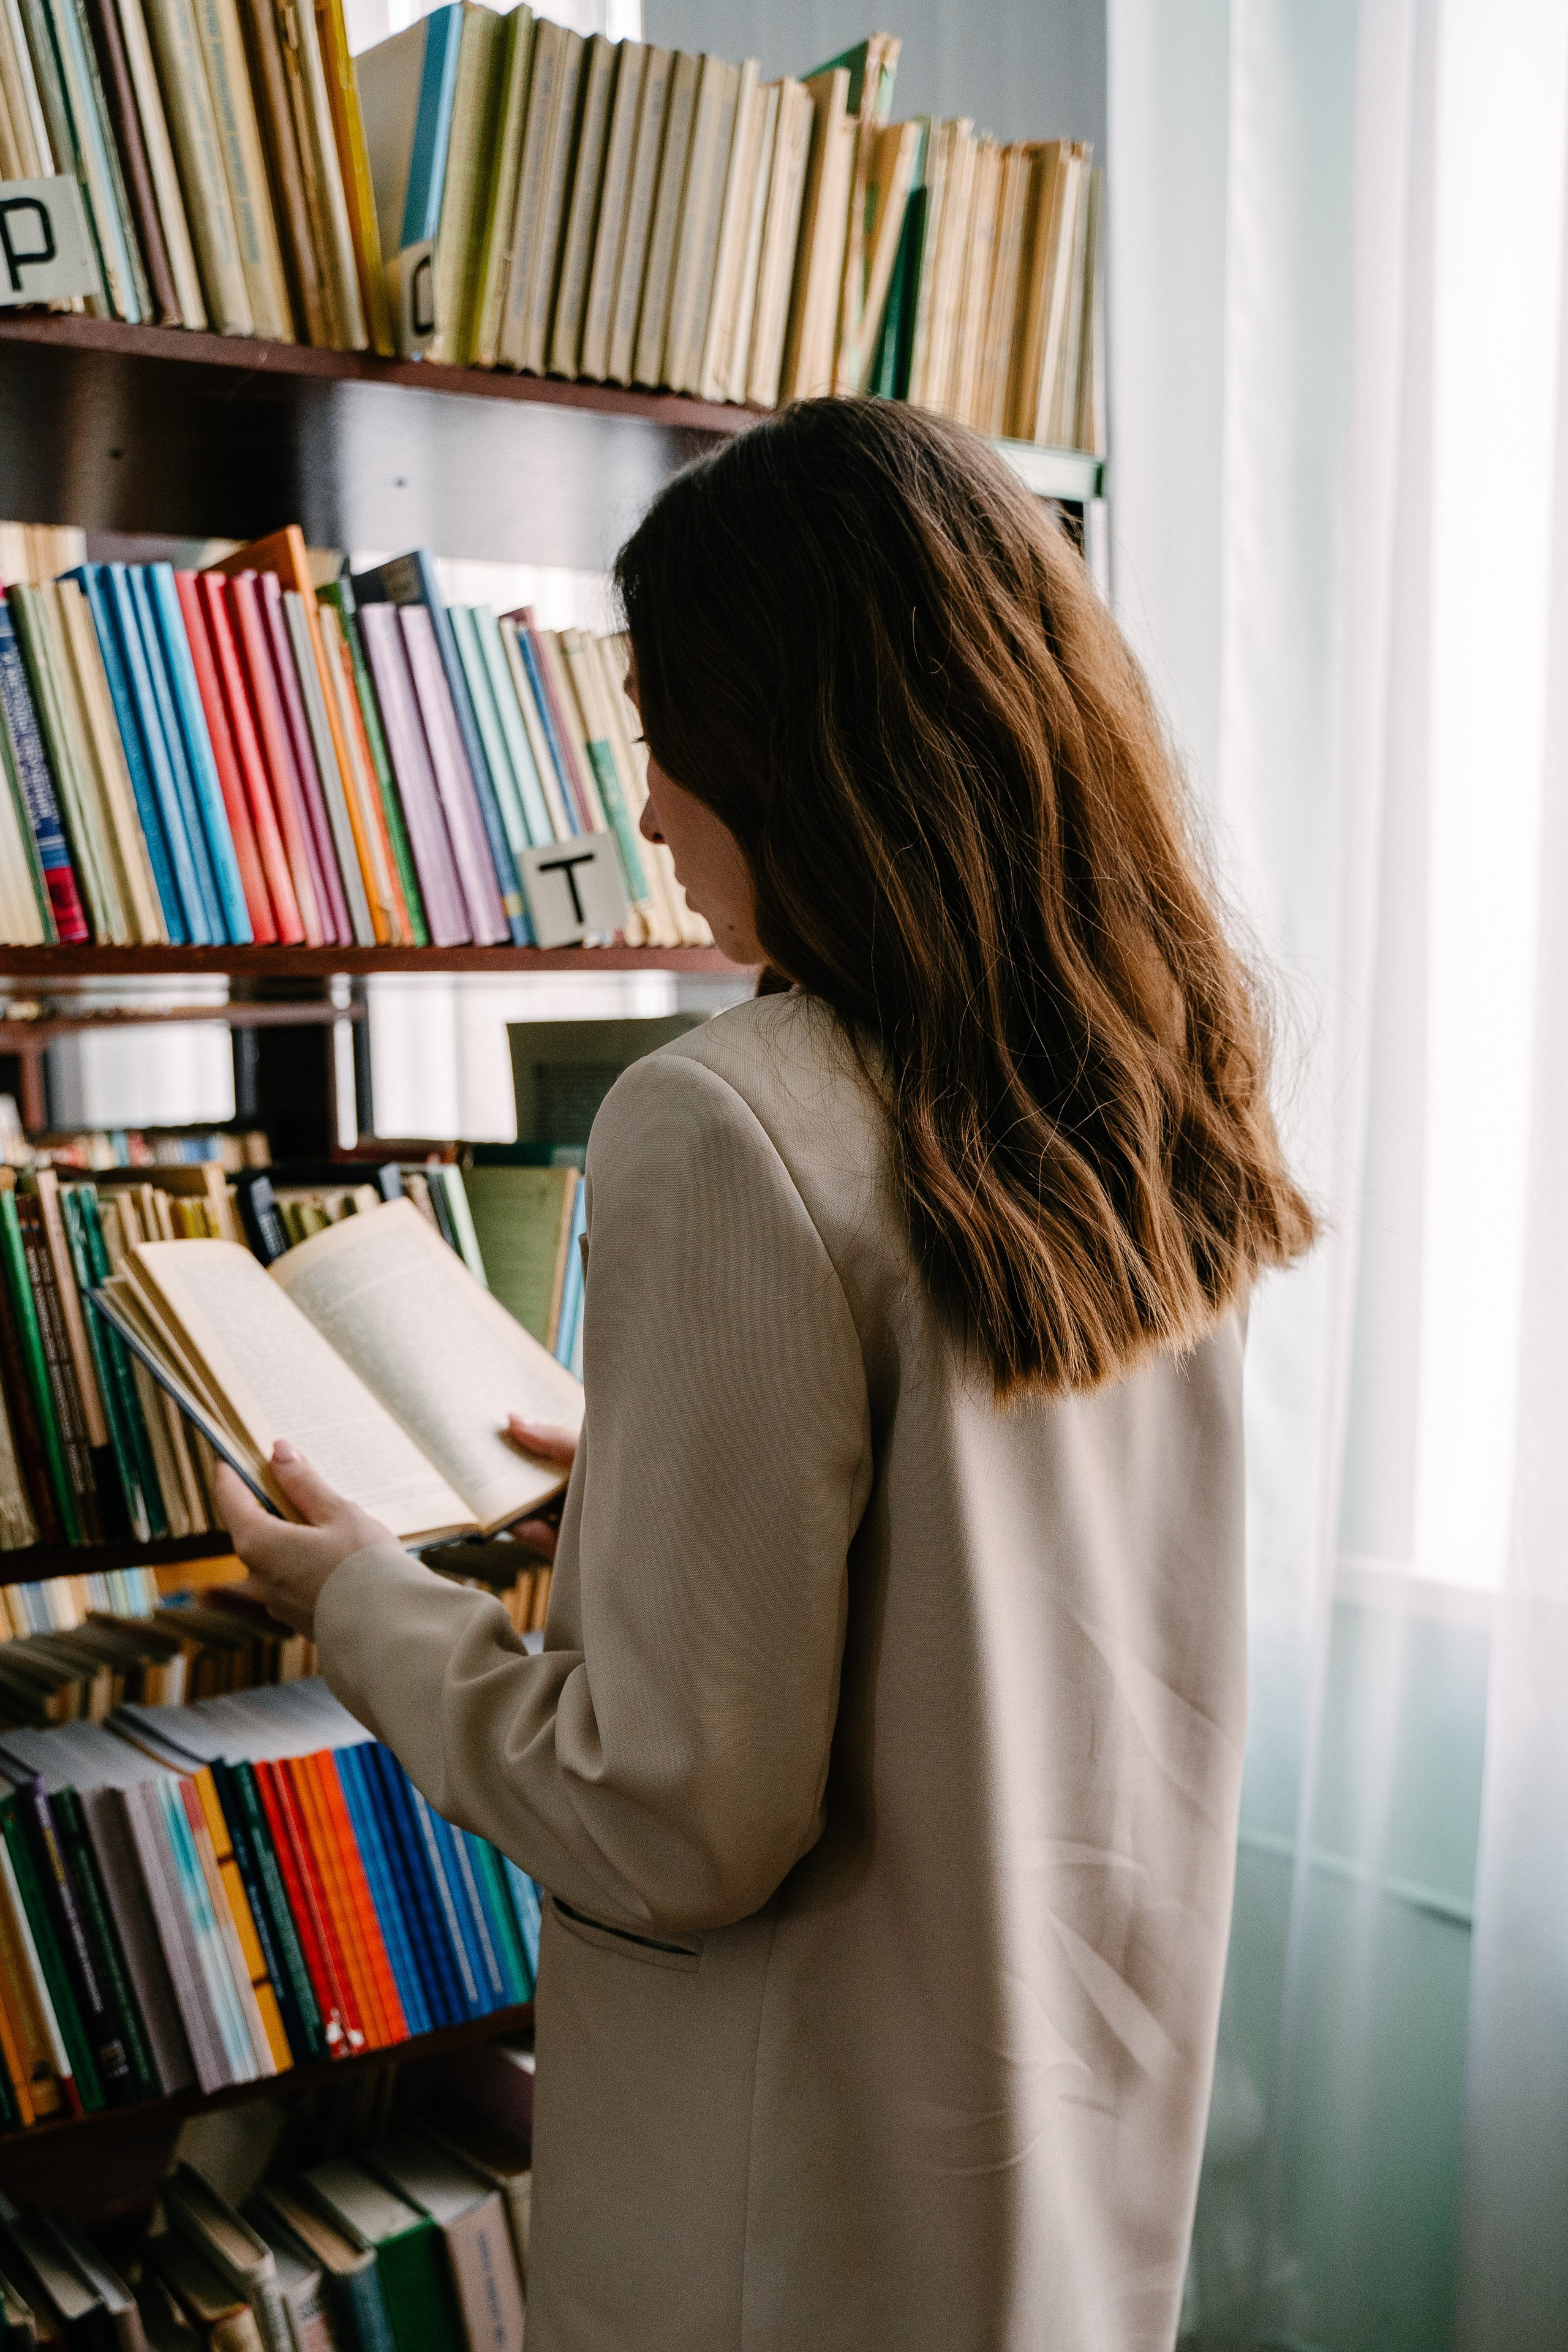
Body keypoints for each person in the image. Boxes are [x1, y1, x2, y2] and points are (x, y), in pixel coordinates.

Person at [216, 397, 1315, 2352]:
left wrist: (360, 1608)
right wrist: (636, 1501)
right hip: (1060, 2154)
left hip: (793, 2219)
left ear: (800, 750)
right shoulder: (1143, 1094)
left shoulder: (721, 1120)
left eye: (665, 736)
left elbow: (678, 1822)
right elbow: (1001, 1571)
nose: (648, 810)